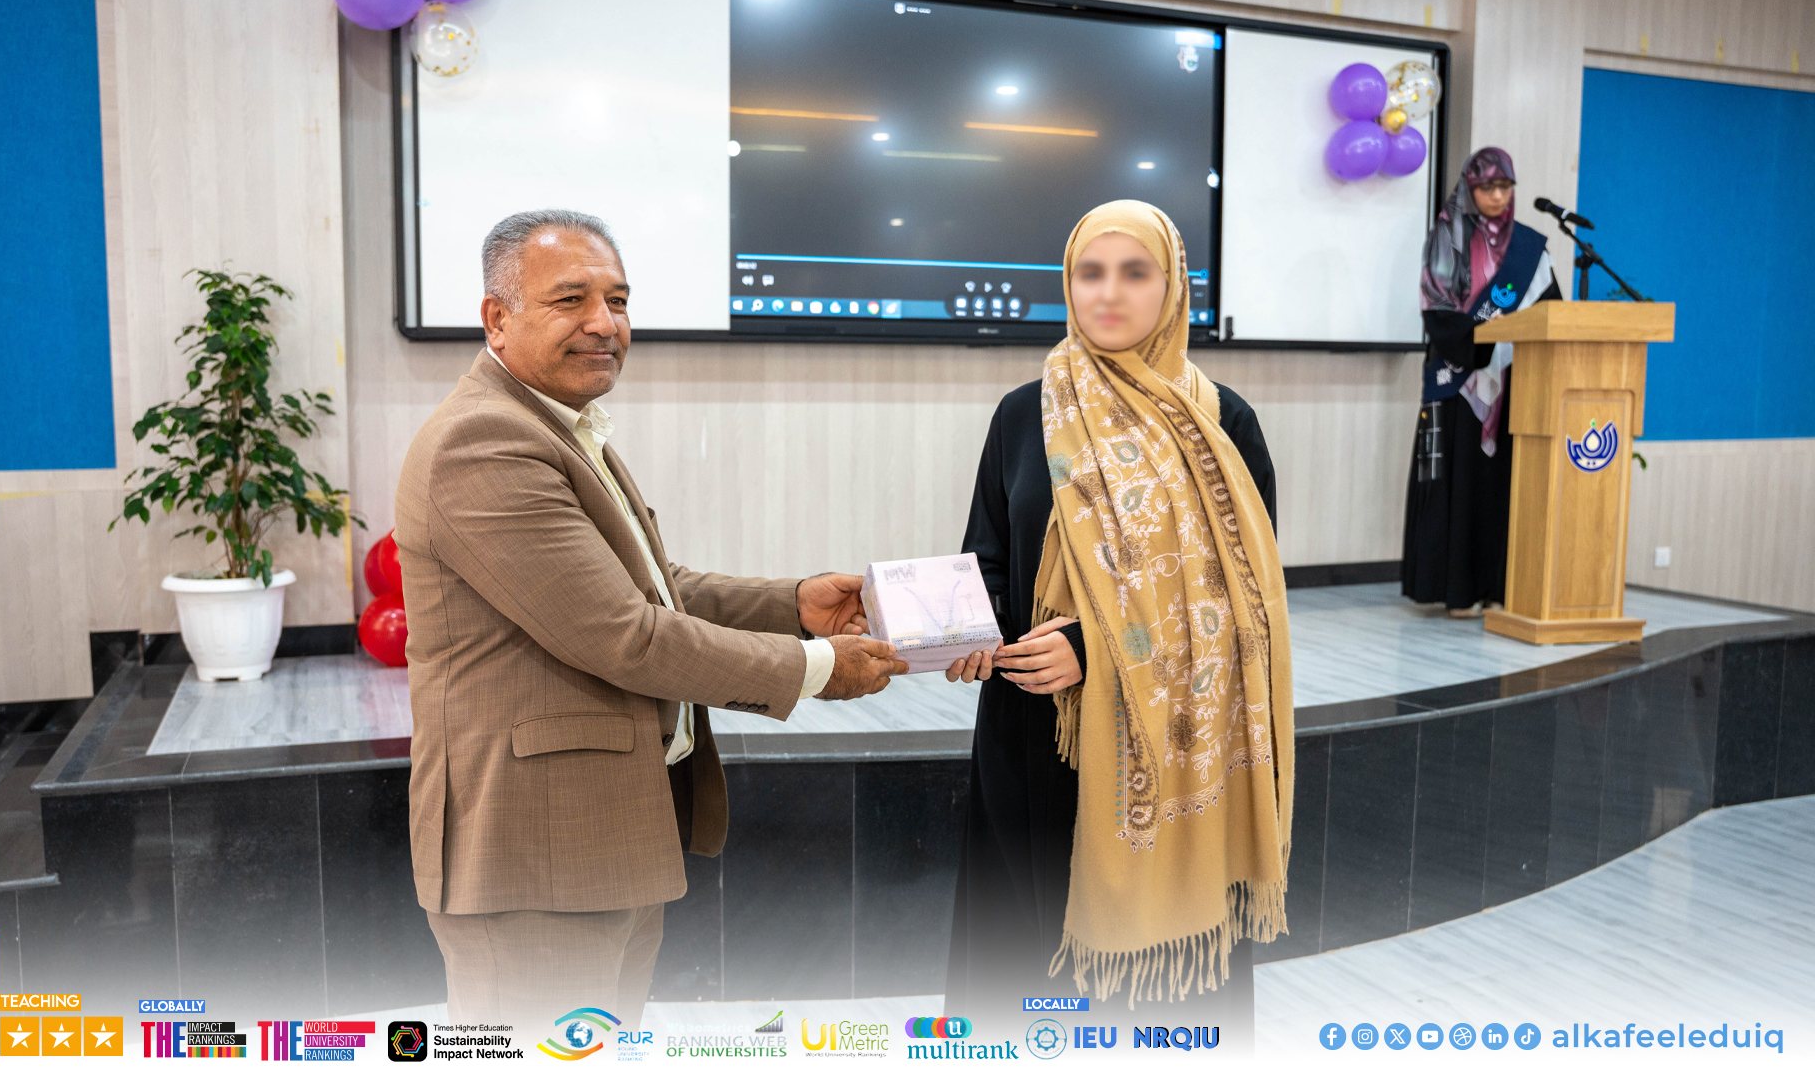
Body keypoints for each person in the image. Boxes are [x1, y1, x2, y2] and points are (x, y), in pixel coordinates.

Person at [393, 209, 907, 1030]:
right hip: (532, 854)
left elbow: (652, 589)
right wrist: (817, 668)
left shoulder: (557, 424)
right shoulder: (483, 441)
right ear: (497, 317)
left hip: (601, 837)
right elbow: (622, 633)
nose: (605, 323)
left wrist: (793, 604)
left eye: (619, 301)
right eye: (571, 300)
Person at [943, 200, 1291, 1042]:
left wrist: (1095, 647)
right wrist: (958, 627)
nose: (1108, 293)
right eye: (1089, 273)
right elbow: (989, 558)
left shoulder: (1222, 422)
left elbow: (1244, 608)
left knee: (1150, 1015)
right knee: (1025, 963)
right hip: (1034, 733)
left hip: (1167, 742)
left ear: (1173, 287)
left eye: (1134, 273)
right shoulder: (1023, 414)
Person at [1403, 147, 1562, 617]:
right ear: (1469, 190)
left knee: (1503, 484)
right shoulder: (1447, 241)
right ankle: (1459, 590)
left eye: (1504, 187)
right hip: (1460, 381)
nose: (1497, 196)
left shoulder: (1530, 248)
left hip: (1515, 383)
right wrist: (1479, 342)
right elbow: (1437, 312)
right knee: (1463, 482)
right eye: (1487, 187)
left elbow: (1551, 311)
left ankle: (1500, 587)